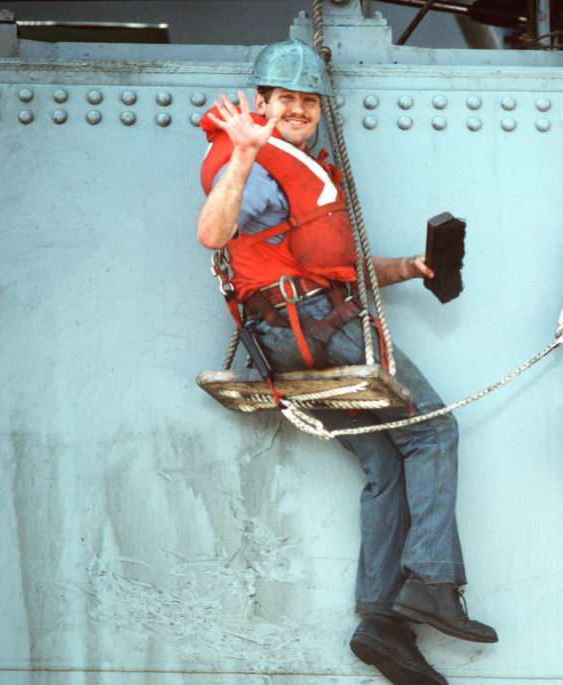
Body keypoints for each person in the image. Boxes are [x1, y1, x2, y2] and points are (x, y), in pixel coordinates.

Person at [195, 38, 496, 685]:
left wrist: (409, 269)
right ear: (263, 104)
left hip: (292, 331)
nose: (299, 109)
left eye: (308, 100)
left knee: (387, 459)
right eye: (286, 99)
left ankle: (382, 624)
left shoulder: (297, 170)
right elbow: (213, 232)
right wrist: (246, 152)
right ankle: (434, 581)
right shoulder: (247, 160)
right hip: (312, 330)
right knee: (435, 429)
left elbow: (332, 269)